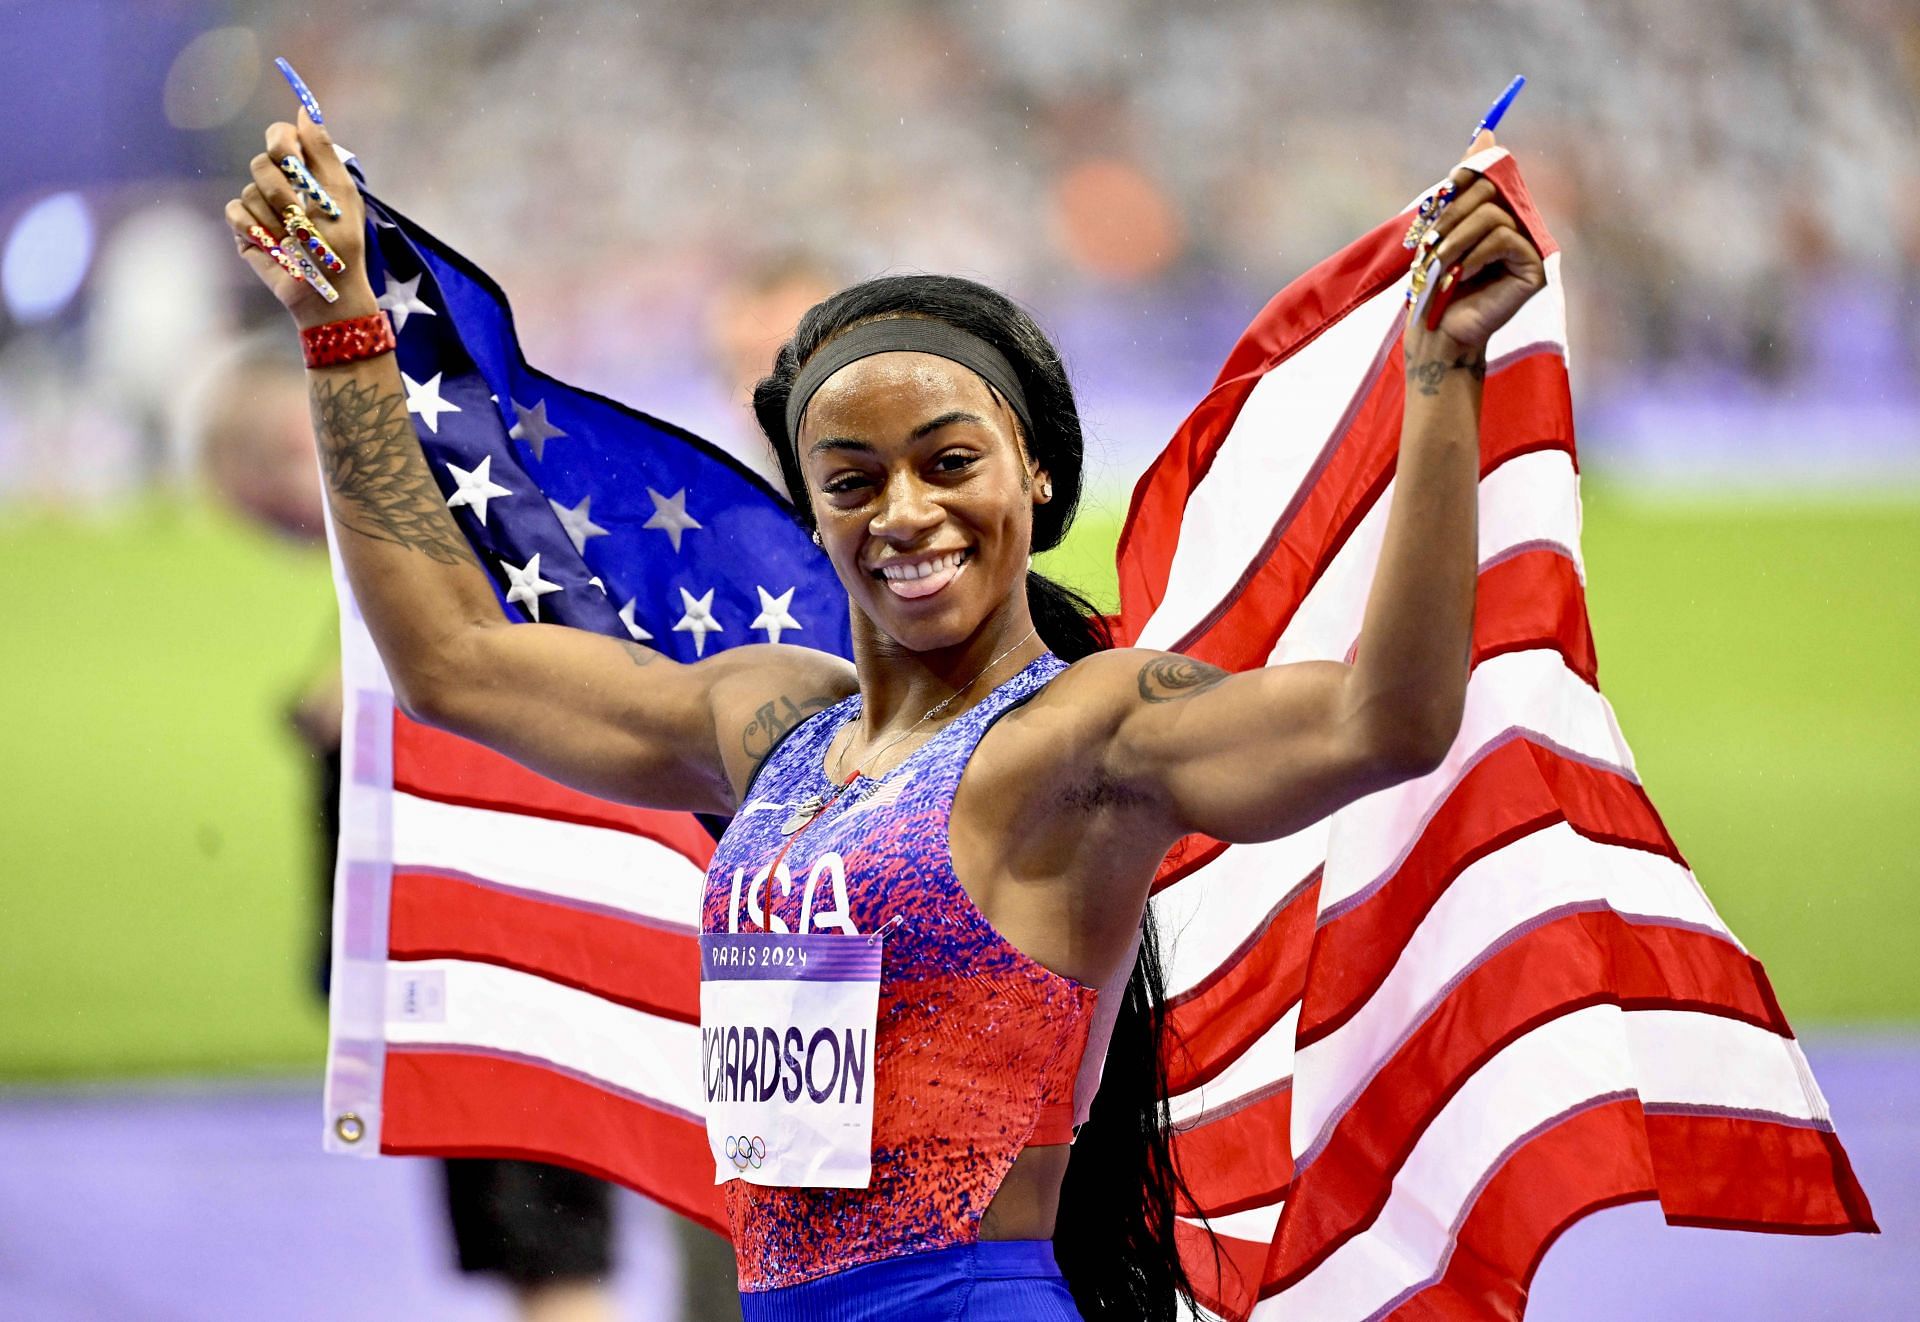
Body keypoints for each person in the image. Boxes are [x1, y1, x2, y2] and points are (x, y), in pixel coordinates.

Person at [225, 106, 1542, 1320]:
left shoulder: (1083, 734)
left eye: (949, 462)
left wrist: (1440, 376)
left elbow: (1388, 718)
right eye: (852, 479)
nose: (903, 511)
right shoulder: (773, 726)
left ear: (1032, 473)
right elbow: (456, 657)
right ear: (811, 502)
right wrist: (341, 328)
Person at [189, 334, 630, 1322]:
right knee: (542, 1239)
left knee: (547, 1247)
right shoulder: (453, 535)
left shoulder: (446, 540)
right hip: (484, 944)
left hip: (495, 944)